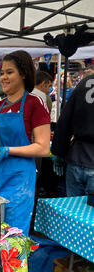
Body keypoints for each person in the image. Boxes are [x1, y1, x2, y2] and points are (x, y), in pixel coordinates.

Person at [0, 50, 50, 236]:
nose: (3, 77)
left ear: (23, 74)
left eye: (9, 72)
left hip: (18, 181)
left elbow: (43, 147)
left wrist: (8, 150)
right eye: (2, 72)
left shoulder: (35, 104)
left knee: (13, 237)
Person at [51, 67, 94, 196]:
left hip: (75, 159)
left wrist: (59, 153)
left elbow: (65, 120)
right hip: (83, 159)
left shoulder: (85, 83)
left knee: (73, 212)